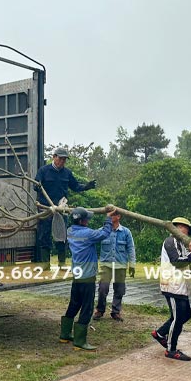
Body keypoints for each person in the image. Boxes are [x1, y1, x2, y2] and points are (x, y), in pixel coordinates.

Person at [59, 206, 114, 351]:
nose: (88, 221)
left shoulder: (70, 231)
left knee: (74, 304)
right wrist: (108, 218)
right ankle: (80, 341)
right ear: (82, 221)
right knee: (87, 308)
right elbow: (104, 233)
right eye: (87, 219)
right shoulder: (88, 234)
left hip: (77, 276)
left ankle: (64, 334)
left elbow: (95, 233)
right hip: (87, 277)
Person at [35, 147, 96, 266]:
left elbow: (75, 186)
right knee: (44, 236)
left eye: (64, 160)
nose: (62, 161)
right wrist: (37, 186)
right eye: (61, 159)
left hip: (61, 209)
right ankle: (45, 265)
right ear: (54, 157)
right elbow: (36, 184)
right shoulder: (43, 170)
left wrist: (86, 186)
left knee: (62, 236)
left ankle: (62, 264)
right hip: (46, 209)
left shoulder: (67, 173)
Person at [151, 217, 191, 361]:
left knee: (185, 315)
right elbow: (176, 262)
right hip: (172, 285)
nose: (185, 231)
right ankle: (171, 349)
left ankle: (160, 334)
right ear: (175, 228)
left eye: (187, 229)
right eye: (182, 227)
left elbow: (185, 264)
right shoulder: (170, 241)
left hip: (180, 286)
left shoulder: (181, 245)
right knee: (178, 317)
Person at [93, 210, 135, 321]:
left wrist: (132, 264)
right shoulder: (102, 231)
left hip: (120, 265)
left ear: (118, 216)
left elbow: (130, 248)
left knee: (119, 289)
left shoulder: (126, 232)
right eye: (109, 215)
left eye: (112, 215)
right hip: (106, 265)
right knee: (103, 288)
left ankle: (116, 312)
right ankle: (100, 310)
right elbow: (91, 240)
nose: (109, 216)